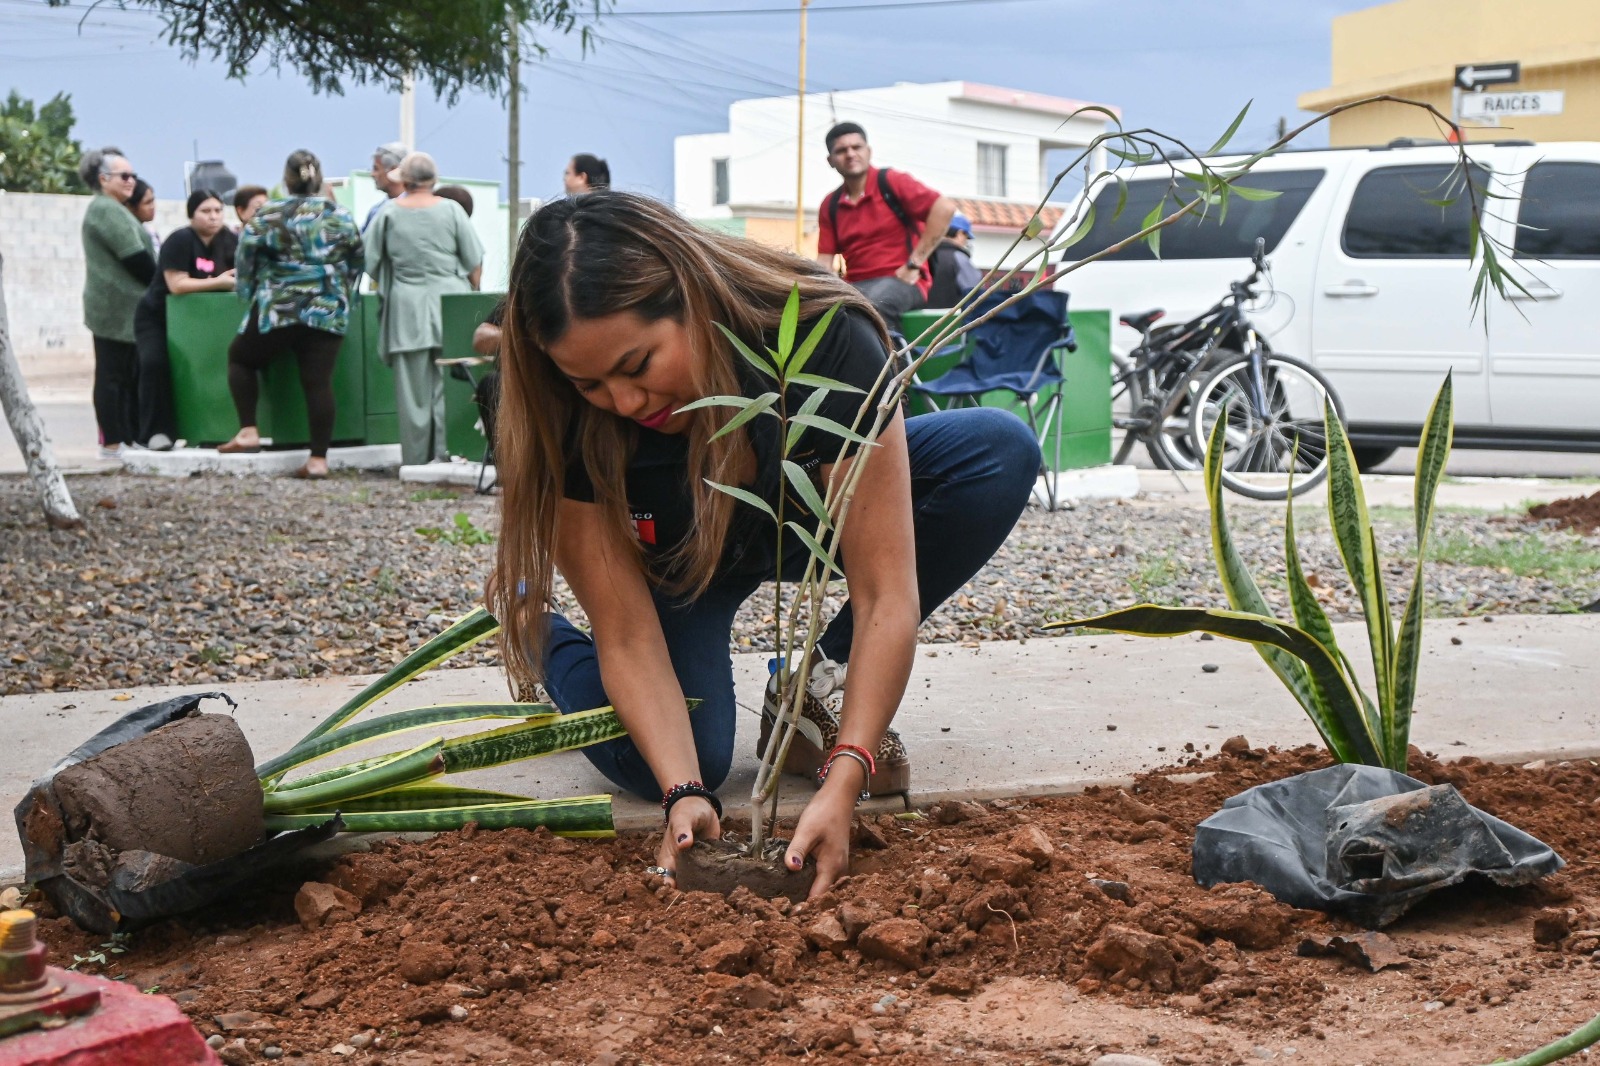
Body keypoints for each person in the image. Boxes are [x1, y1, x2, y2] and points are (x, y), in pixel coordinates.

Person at [487, 192, 1039, 897]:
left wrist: (846, 774)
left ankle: (816, 690)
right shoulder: (555, 407)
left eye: (637, 365)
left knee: (995, 451)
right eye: (590, 383)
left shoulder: (824, 334)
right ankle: (543, 634)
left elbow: (884, 595)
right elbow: (626, 635)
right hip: (679, 562)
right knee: (684, 757)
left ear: (690, 299)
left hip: (802, 517)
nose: (623, 403)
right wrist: (682, 792)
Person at [218, 150, 364, 479]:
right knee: (318, 382)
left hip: (279, 307)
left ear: (286, 180)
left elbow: (246, 256)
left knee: (240, 358)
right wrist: (343, 292)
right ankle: (317, 460)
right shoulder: (339, 215)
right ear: (319, 178)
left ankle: (249, 431)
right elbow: (357, 259)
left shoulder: (269, 213)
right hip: (327, 308)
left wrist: (249, 290)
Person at [365, 152, 484, 465]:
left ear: (404, 180)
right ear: (434, 180)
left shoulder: (388, 214)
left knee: (413, 393)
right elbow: (473, 261)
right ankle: (449, 454)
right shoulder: (452, 210)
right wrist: (469, 288)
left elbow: (372, 263)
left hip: (407, 308)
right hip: (450, 304)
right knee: (448, 385)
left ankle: (416, 461)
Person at [815, 122, 956, 335]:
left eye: (857, 147)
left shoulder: (891, 182)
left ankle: (894, 368)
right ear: (831, 161)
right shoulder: (830, 204)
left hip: (902, 281)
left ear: (869, 151)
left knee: (870, 308)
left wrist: (914, 262)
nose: (850, 154)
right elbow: (825, 261)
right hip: (856, 286)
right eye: (842, 150)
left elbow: (944, 208)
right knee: (821, 317)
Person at [132, 189, 239, 450]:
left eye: (217, 210)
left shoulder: (229, 240)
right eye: (205, 211)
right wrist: (220, 282)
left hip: (201, 322)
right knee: (155, 364)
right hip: (158, 317)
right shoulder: (180, 240)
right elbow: (176, 284)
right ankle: (155, 433)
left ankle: (216, 428)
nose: (213, 217)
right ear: (192, 215)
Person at [78, 146, 156, 460]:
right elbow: (136, 259)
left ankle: (124, 438)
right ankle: (112, 442)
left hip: (123, 307)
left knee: (125, 375)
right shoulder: (106, 209)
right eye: (124, 176)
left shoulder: (114, 208)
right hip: (115, 309)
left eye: (133, 176)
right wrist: (163, 285)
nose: (131, 181)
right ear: (103, 178)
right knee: (113, 376)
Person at [926, 214, 984, 309]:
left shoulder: (925, 254)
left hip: (920, 316)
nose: (966, 242)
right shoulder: (958, 257)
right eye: (967, 238)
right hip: (950, 318)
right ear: (960, 234)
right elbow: (974, 292)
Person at [364, 142, 408, 230]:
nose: (372, 174)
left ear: (393, 170)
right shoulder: (375, 212)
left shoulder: (414, 207)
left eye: (376, 169)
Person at [126, 178, 161, 249]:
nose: (152, 207)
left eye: (152, 201)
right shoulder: (125, 234)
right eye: (147, 203)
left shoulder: (152, 234)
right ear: (131, 207)